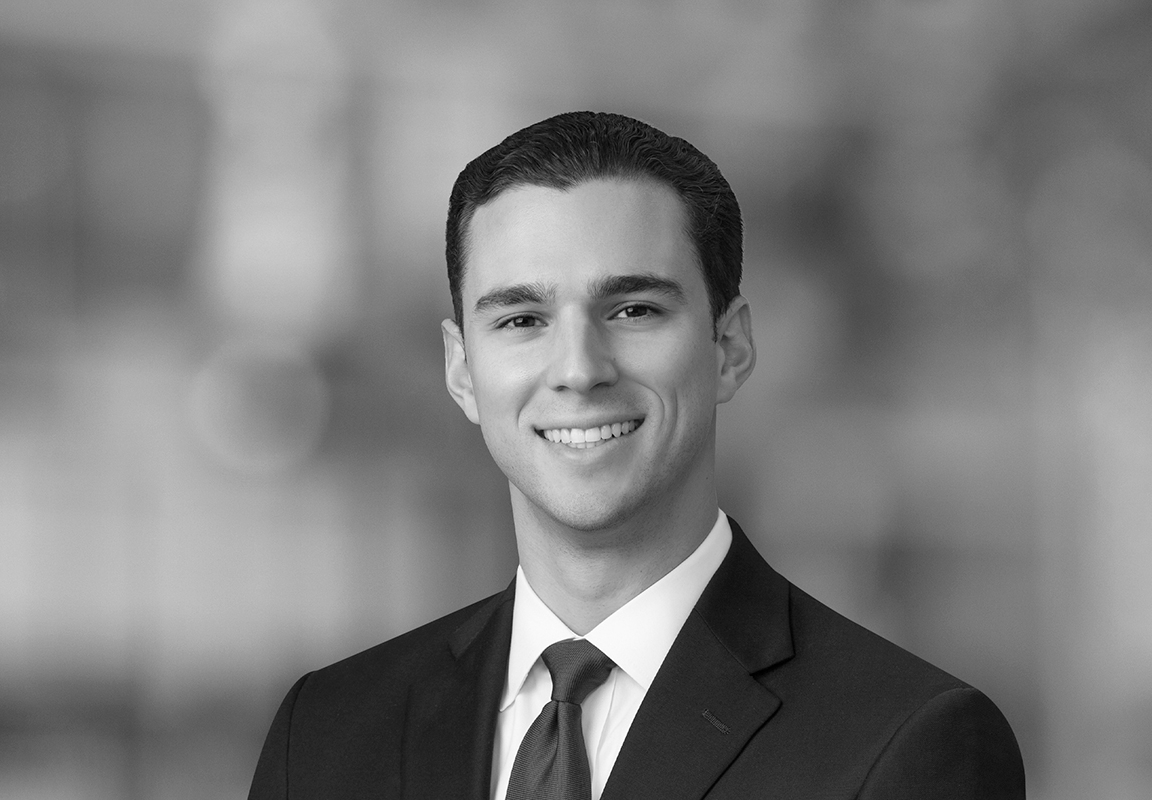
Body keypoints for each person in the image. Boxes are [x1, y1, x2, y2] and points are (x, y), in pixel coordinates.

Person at [248, 111, 1025, 799]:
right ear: (461, 369)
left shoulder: (907, 746)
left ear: (729, 348)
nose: (579, 369)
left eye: (633, 310)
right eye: (521, 319)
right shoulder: (323, 735)